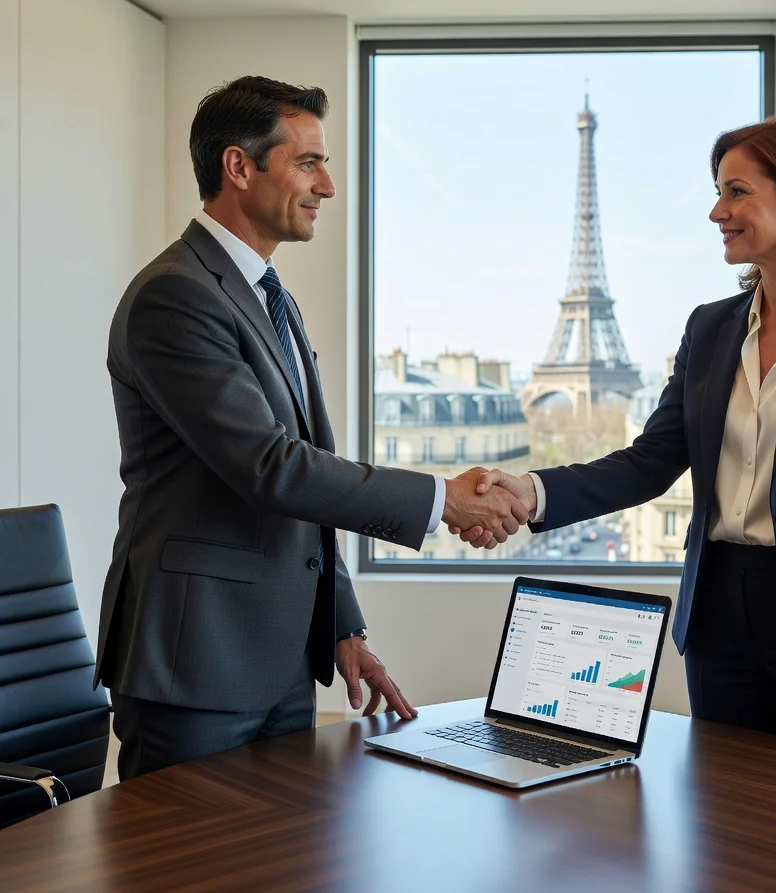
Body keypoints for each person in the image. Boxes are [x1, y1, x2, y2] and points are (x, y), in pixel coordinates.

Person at [452, 116, 776, 761]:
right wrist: (532, 491)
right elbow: (650, 461)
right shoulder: (709, 329)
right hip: (718, 613)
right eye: (718, 192)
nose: (717, 211)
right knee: (724, 824)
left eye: (737, 192)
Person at [96, 76, 527, 779]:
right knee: (192, 886)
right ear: (239, 167)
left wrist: (342, 625)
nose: (327, 184)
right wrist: (440, 498)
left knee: (278, 883)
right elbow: (271, 467)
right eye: (307, 162)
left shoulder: (271, 297)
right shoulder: (174, 294)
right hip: (197, 660)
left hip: (281, 658)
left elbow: (304, 474)